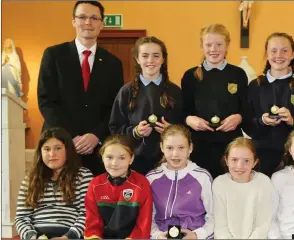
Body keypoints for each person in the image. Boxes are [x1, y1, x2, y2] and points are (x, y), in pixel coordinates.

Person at [37, 1, 124, 176]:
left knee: (94, 200)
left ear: (102, 23)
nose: (88, 23)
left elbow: (115, 108)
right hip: (59, 145)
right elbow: (46, 101)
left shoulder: (113, 63)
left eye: (94, 18)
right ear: (73, 21)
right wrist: (72, 136)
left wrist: (96, 135)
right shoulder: (53, 55)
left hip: (97, 150)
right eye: (82, 17)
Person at [181, 23, 248, 178]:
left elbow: (247, 108)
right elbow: (183, 110)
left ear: (227, 46)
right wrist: (189, 119)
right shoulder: (190, 76)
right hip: (199, 144)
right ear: (201, 46)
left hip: (230, 144)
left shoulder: (238, 74)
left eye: (219, 44)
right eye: (209, 44)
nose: (214, 49)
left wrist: (239, 117)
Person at [109, 36, 183, 175]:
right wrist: (135, 132)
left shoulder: (175, 91)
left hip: (169, 162)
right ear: (137, 59)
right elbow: (115, 129)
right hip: (134, 163)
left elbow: (185, 128)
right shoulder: (126, 92)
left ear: (163, 59)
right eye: (145, 56)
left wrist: (171, 130)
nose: (150, 60)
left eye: (156, 56)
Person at [246, 32, 294, 177]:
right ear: (266, 54)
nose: (279, 55)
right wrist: (262, 121)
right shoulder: (255, 86)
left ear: (293, 54)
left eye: (285, 50)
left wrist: (292, 121)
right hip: (261, 157)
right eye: (273, 50)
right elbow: (246, 122)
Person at [14, 127, 93, 239]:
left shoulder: (83, 176)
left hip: (69, 233)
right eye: (46, 149)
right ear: (40, 152)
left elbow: (87, 214)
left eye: (58, 148)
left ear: (68, 150)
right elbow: (21, 217)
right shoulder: (30, 179)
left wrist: (68, 237)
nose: (52, 154)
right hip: (36, 234)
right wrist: (32, 237)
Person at [146, 124, 214, 239]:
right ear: (162, 147)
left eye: (181, 148)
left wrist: (197, 235)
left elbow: (214, 217)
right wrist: (157, 235)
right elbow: (147, 217)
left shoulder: (202, 177)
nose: (175, 154)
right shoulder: (151, 178)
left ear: (190, 148)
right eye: (169, 148)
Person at [84, 134, 152, 239]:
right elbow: (92, 222)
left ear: (131, 159)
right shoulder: (95, 184)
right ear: (102, 156)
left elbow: (144, 222)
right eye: (109, 157)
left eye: (122, 158)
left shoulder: (142, 183)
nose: (114, 163)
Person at [213, 137, 273, 239]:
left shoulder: (263, 182)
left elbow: (263, 223)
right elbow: (220, 226)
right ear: (226, 160)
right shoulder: (219, 183)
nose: (240, 166)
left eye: (246, 161)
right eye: (234, 160)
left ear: (255, 162)